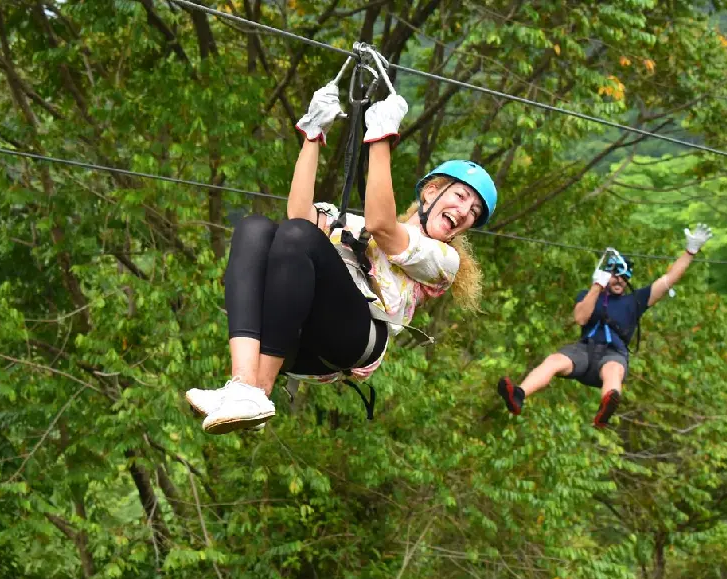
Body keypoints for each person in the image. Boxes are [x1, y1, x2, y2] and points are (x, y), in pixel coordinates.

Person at [186, 82, 498, 434]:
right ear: (431, 192)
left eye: (472, 211)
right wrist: (312, 135)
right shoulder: (358, 227)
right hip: (301, 332)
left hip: (356, 336)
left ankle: (259, 391)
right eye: (459, 196)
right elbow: (299, 216)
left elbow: (382, 225)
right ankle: (242, 385)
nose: (464, 211)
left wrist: (379, 139)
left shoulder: (443, 261)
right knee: (256, 228)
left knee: (299, 237)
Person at [496, 224, 713, 428]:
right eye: (614, 276)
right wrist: (597, 286)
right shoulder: (590, 294)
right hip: (584, 351)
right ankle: (519, 395)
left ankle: (607, 407)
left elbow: (669, 279)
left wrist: (690, 252)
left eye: (623, 277)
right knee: (554, 360)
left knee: (614, 371)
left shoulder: (635, 301)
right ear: (606, 275)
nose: (619, 281)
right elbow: (580, 318)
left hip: (613, 354)